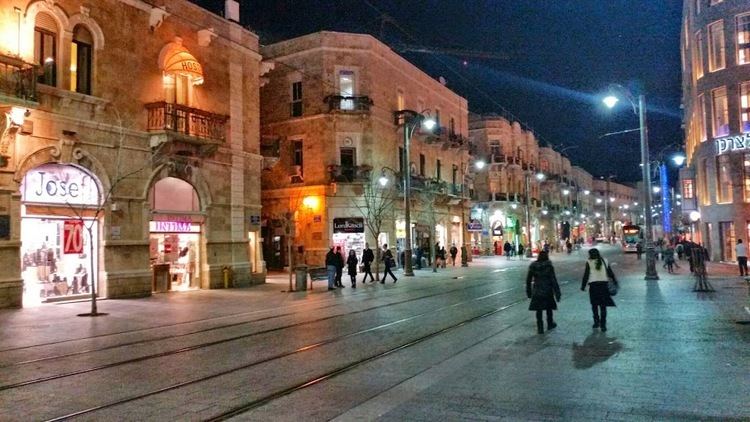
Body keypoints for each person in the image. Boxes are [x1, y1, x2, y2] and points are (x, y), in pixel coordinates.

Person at [581, 248, 616, 332]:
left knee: (594, 305)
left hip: (593, 286)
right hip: (603, 286)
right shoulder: (605, 261)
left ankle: (596, 322)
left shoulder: (589, 262)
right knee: (603, 306)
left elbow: (586, 275)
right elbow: (610, 273)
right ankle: (603, 325)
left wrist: (583, 286)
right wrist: (614, 281)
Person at [525, 251, 561, 334]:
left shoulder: (533, 266)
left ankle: (540, 328)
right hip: (547, 289)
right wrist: (557, 293)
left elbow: (528, 280)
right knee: (549, 308)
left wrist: (529, 292)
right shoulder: (549, 266)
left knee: (539, 310)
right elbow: (553, 280)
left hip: (537, 290)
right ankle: (550, 323)